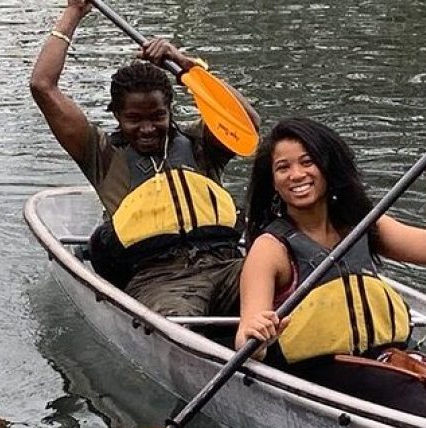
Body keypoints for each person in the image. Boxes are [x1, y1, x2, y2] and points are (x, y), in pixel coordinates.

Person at [234, 116, 426, 428]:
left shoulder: (362, 226)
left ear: (328, 167)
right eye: (283, 168)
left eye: (307, 162)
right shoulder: (270, 249)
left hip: (383, 362)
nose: (296, 175)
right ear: (273, 181)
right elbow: (247, 341)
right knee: (402, 391)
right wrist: (258, 335)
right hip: (318, 374)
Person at [29, 0, 260, 317]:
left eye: (157, 116)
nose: (148, 128)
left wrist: (186, 67)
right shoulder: (101, 153)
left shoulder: (201, 144)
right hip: (159, 279)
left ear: (170, 111)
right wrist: (73, 14)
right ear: (117, 116)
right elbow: (43, 86)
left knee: (283, 288)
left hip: (227, 264)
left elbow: (248, 123)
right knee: (179, 322)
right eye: (134, 119)